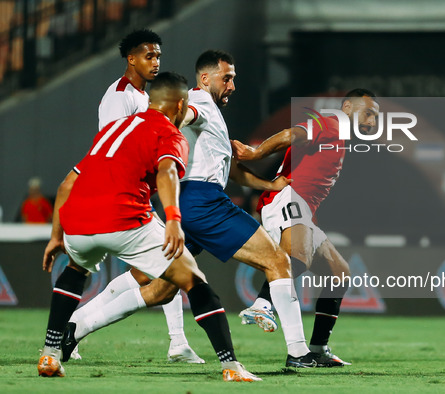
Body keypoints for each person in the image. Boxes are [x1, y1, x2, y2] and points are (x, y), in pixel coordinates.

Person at [64, 50, 328, 368]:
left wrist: (268, 185)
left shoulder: (209, 110)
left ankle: (74, 329)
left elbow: (224, 165)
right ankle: (299, 353)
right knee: (277, 261)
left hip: (189, 202)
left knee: (160, 290)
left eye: (233, 79)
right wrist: (149, 127)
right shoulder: (198, 103)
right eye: (226, 78)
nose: (232, 85)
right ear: (205, 78)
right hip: (204, 203)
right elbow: (180, 117)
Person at [37, 72, 259, 382]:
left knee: (75, 270)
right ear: (181, 105)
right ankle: (231, 366)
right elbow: (168, 173)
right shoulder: (170, 134)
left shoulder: (114, 128)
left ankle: (50, 353)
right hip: (126, 219)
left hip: (78, 220)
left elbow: (66, 185)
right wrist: (172, 219)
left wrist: (55, 236)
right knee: (194, 279)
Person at [72, 28, 203, 364]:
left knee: (160, 265)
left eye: (158, 55)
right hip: (118, 197)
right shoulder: (120, 97)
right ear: (131, 59)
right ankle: (72, 329)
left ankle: (72, 327)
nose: (156, 61)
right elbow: (112, 149)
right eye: (149, 55)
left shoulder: (146, 97)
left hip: (136, 194)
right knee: (170, 261)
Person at [231, 89, 379, 367]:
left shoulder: (340, 135)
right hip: (287, 197)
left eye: (376, 117)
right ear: (347, 107)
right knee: (298, 258)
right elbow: (291, 134)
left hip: (303, 209)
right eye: (368, 112)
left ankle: (318, 348)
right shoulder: (331, 122)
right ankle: (263, 305)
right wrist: (255, 152)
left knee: (340, 274)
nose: (371, 121)